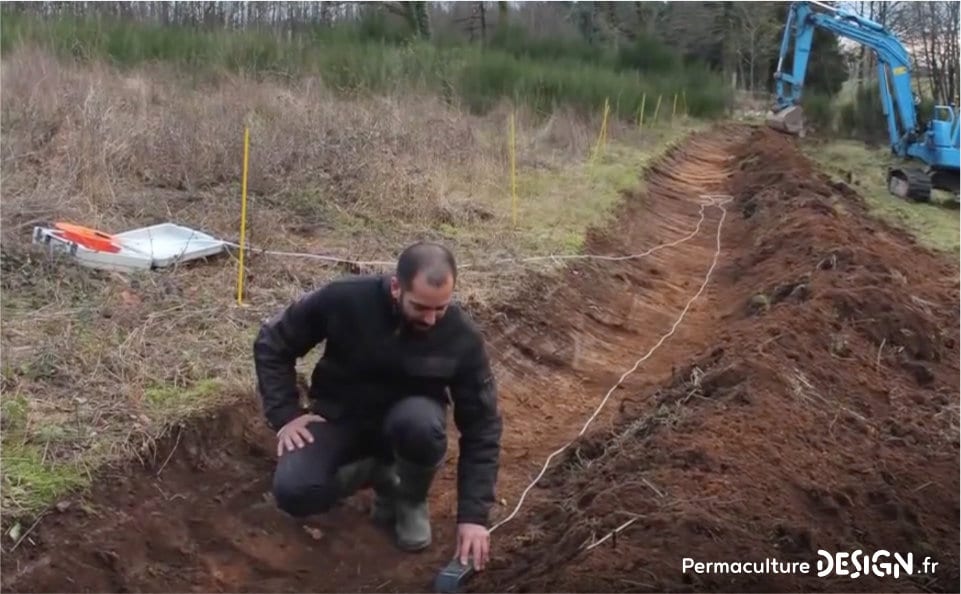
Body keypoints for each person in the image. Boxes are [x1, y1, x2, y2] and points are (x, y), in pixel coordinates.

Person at [253, 241, 502, 570]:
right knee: (294, 491)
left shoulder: (461, 337)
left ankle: (409, 499)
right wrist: (285, 414)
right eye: (421, 307)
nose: (431, 319)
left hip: (409, 428)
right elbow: (273, 342)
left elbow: (482, 425)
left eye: (440, 308)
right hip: (340, 417)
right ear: (397, 287)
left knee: (421, 423)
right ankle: (377, 474)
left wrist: (473, 517)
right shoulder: (345, 299)